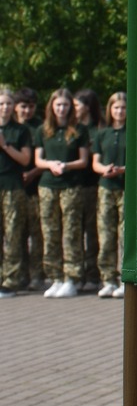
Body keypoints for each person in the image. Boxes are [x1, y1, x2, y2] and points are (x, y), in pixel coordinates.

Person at [34, 87, 91, 297]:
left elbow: (84, 161)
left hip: (71, 186)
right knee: (50, 231)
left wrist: (65, 166)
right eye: (58, 104)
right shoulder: (43, 130)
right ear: (51, 106)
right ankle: (55, 276)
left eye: (65, 105)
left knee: (71, 232)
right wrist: (50, 164)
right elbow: (37, 159)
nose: (61, 108)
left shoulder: (79, 130)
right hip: (48, 185)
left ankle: (71, 278)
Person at [92, 91, 127, 296]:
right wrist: (104, 169)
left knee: (125, 235)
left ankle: (124, 278)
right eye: (116, 107)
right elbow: (95, 162)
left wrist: (122, 170)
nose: (120, 111)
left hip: (125, 188)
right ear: (110, 109)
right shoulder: (102, 134)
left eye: (123, 108)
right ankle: (108, 279)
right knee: (105, 234)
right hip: (106, 188)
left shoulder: (133, 132)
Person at [0, 87, 33, 297]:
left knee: (13, 235)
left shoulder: (20, 131)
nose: (5, 107)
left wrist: (5, 146)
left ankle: (10, 281)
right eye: (1, 104)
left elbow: (25, 160)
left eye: (8, 104)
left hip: (12, 187)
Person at [73, 90, 103, 291]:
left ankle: (93, 273)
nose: (74, 109)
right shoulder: (72, 128)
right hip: (74, 184)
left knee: (93, 232)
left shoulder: (99, 128)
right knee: (74, 232)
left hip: (94, 185)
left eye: (77, 105)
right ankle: (76, 274)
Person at [15, 91, 44, 287]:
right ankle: (20, 274)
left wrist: (32, 173)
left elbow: (47, 156)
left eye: (31, 106)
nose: (27, 110)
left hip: (35, 187)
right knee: (17, 234)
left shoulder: (40, 127)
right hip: (14, 187)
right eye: (23, 106)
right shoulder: (10, 126)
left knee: (36, 233)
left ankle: (36, 274)